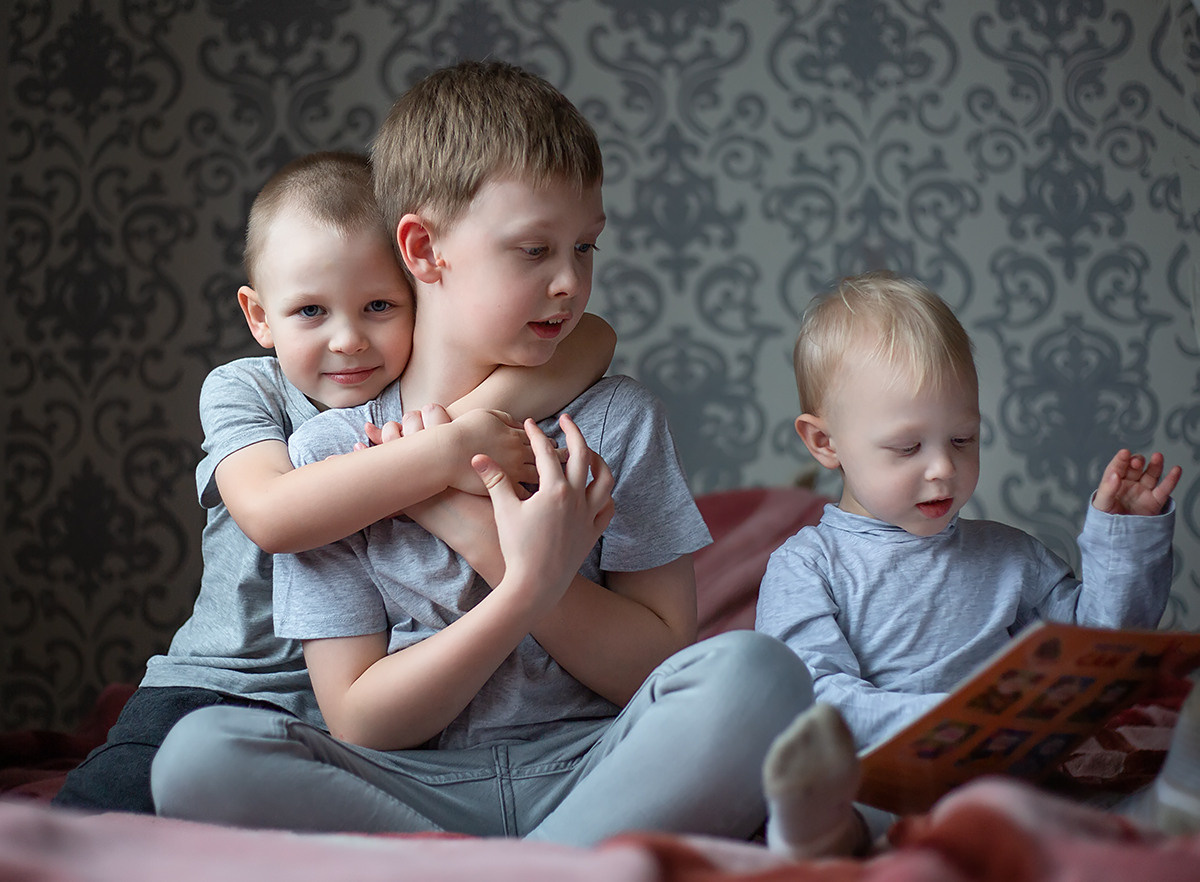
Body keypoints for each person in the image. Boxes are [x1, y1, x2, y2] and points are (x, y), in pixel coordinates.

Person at [149, 60, 814, 847]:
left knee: (758, 674)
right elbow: (359, 720)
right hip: (415, 783)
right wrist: (526, 588)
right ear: (424, 250)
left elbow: (655, 664)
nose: (570, 282)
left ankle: (515, 865)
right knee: (198, 755)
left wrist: (479, 536)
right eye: (534, 250)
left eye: (586, 247)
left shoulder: (618, 418)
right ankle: (565, 864)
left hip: (599, 763)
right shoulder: (333, 457)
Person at [53, 150, 616, 814]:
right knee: (99, 818)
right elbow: (275, 514)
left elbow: (593, 339)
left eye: (378, 305)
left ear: (422, 295)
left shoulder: (426, 392)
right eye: (310, 311)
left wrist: (457, 423)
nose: (348, 339)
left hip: (362, 715)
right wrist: (449, 448)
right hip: (223, 690)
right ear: (259, 317)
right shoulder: (248, 390)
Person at [754, 270, 1183, 857]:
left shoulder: (1010, 555)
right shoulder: (807, 566)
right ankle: (818, 833)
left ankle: (1155, 817)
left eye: (962, 440)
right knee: (847, 802)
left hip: (1005, 778)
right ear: (825, 443)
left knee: (1078, 801)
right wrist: (955, 720)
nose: (943, 469)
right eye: (908, 447)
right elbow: (814, 699)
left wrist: (1126, 536)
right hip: (881, 780)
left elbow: (1105, 647)